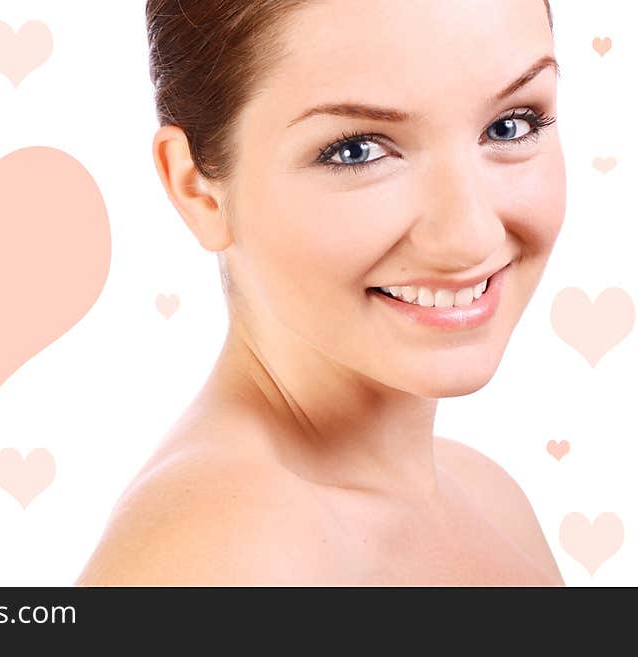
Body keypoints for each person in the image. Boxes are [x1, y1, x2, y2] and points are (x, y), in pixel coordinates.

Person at [76, 0, 566, 586]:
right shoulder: (223, 555)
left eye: (510, 125)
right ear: (197, 191)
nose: (469, 235)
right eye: (356, 149)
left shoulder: (487, 495)